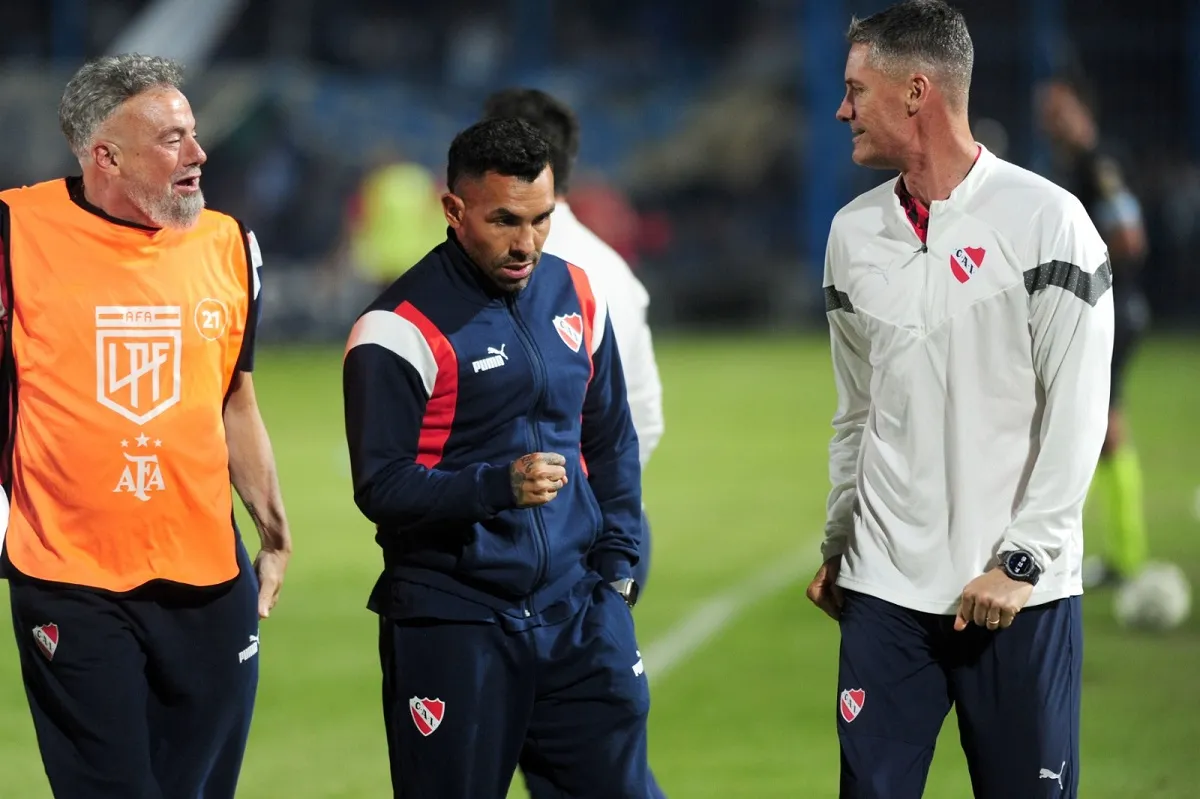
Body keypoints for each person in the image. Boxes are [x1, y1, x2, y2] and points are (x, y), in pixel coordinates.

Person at [805, 2, 1113, 797]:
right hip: (884, 594)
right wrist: (841, 538)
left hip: (1016, 596)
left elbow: (1078, 409)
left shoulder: (1051, 223)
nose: (841, 109)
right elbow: (857, 411)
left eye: (855, 90)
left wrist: (1021, 560)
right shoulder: (850, 235)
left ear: (916, 92)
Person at [0, 54, 292, 799]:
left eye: (192, 134)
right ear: (106, 156)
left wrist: (271, 526)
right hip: (69, 575)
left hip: (207, 575)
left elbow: (236, 399)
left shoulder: (229, 244)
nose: (199, 154)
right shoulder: (13, 232)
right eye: (172, 139)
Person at [342, 117, 652, 798]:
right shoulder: (395, 329)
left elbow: (611, 439)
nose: (527, 243)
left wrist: (620, 565)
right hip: (456, 621)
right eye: (505, 220)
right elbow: (381, 485)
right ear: (453, 210)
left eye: (541, 219)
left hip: (577, 614)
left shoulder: (578, 292)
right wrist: (495, 487)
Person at [481, 87, 665, 594]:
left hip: (543, 544)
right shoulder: (612, 269)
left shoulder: (509, 272)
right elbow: (643, 414)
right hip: (612, 529)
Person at [1036, 72, 1151, 588]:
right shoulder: (1074, 164)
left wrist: (1081, 259)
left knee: (1091, 427)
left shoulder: (1097, 162)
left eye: (1058, 108)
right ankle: (1122, 555)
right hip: (1110, 307)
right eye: (1045, 109)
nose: (1049, 118)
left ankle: (1119, 557)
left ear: (1082, 108)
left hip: (1113, 307)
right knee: (1100, 430)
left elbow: (1129, 237)